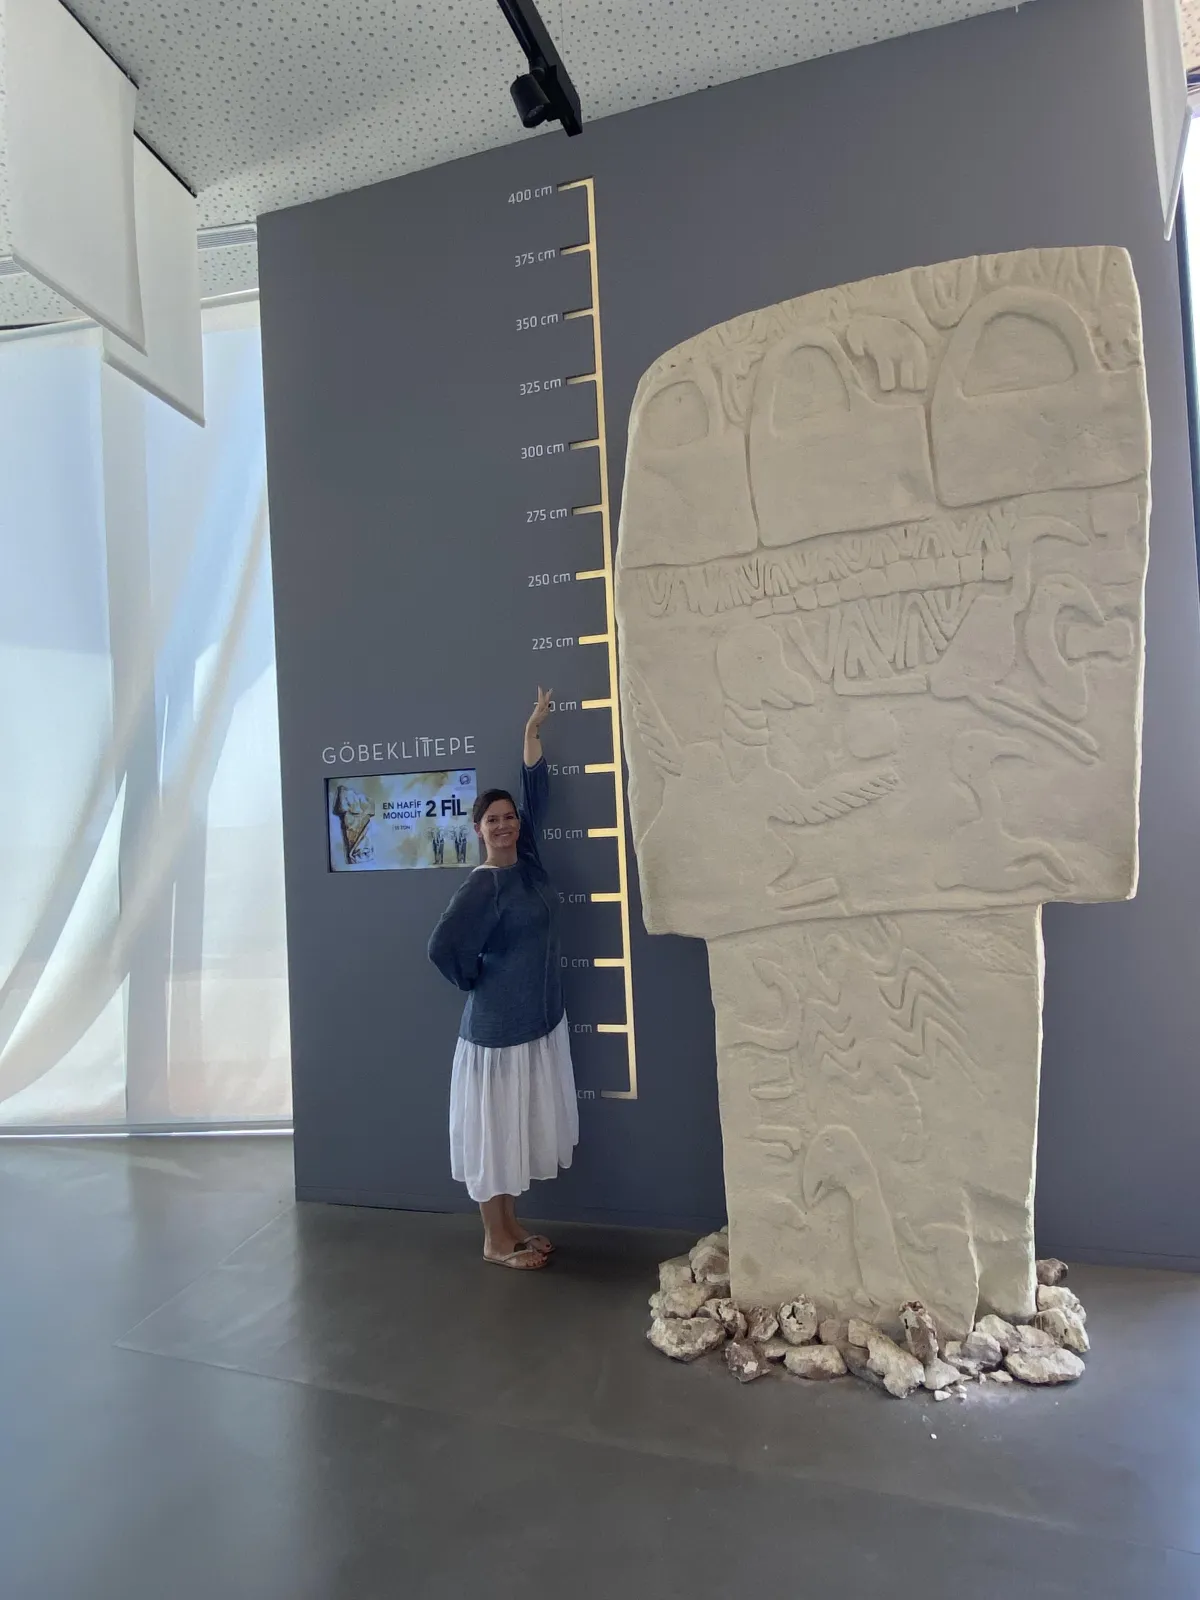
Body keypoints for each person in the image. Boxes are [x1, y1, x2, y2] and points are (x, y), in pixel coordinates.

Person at [427, 688, 578, 1268]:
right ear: (478, 829)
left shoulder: (528, 866)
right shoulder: (483, 885)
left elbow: (536, 793)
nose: (505, 825)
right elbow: (443, 947)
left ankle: (511, 1226)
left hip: (536, 1025)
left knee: (514, 1134)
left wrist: (531, 732)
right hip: (497, 1035)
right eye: (493, 820)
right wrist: (479, 981)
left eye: (509, 817)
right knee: (495, 1138)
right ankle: (495, 1241)